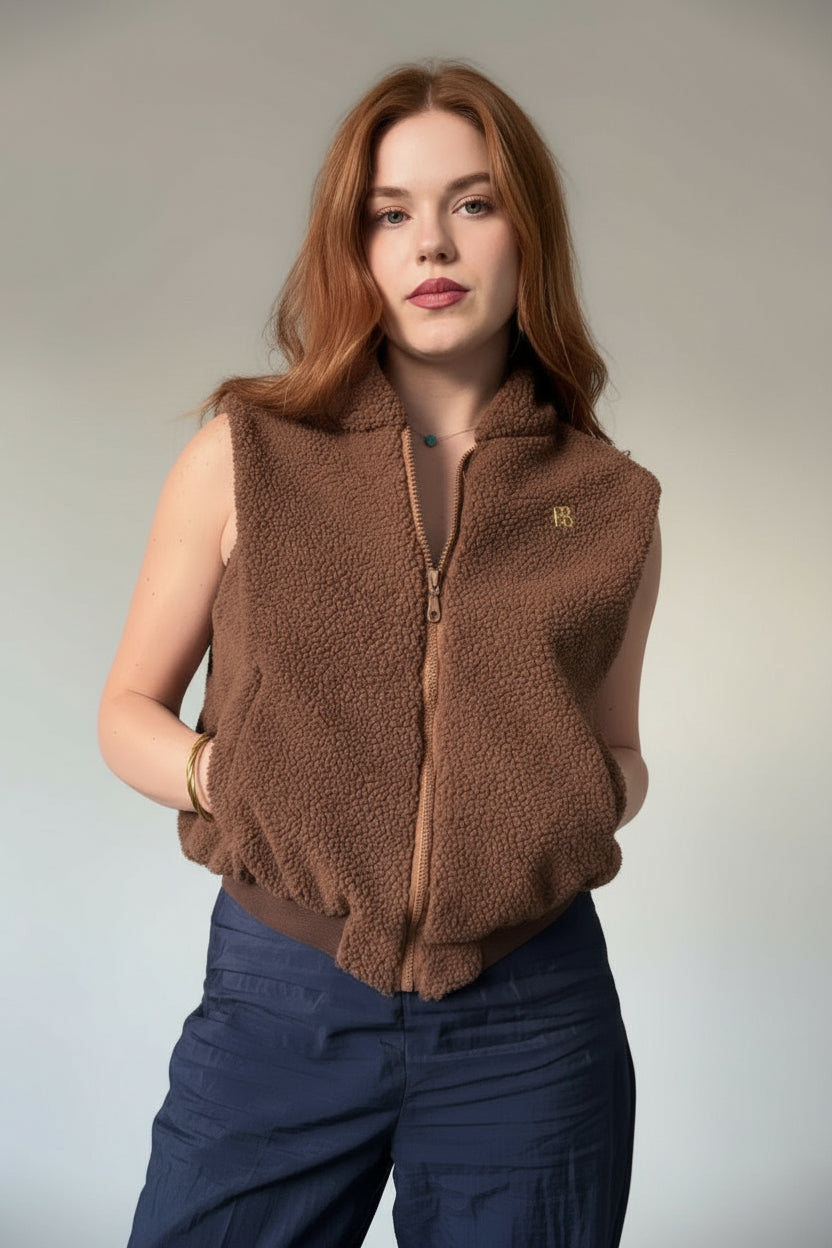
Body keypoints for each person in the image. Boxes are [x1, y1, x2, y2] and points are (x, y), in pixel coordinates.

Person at [99, 57, 662, 1248]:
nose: (432, 245)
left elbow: (616, 750)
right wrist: (232, 779)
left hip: (531, 1017)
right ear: (350, 247)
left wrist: (574, 801)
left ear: (526, 232)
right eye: (389, 214)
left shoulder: (610, 501)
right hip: (282, 991)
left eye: (472, 203)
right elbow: (127, 711)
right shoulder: (245, 455)